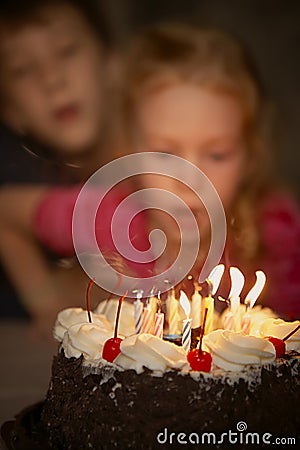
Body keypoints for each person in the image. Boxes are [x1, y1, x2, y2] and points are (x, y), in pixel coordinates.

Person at [2, 23, 300, 323]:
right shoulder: (104, 217)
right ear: (128, 152)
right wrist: (43, 301)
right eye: (165, 154)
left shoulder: (275, 233)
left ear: (251, 155)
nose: (191, 179)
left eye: (217, 154)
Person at [0, 0, 117, 337]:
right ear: (11, 112)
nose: (52, 79)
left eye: (66, 51)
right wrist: (45, 302)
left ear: (111, 63)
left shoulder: (158, 156)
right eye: (22, 69)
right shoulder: (27, 183)